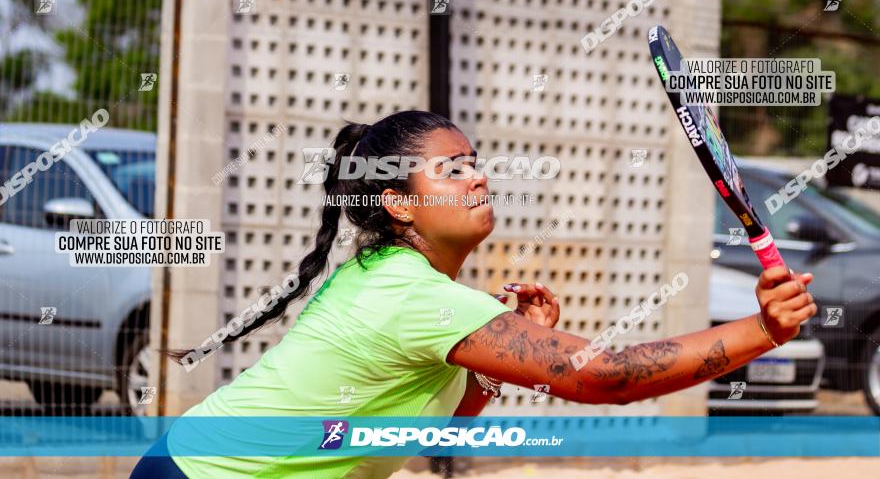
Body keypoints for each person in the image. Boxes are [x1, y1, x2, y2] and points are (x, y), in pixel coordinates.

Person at [129, 110, 816, 478]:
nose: (479, 179)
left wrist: (489, 366)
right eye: (453, 169)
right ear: (398, 202)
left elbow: (433, 432)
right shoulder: (413, 295)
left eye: (478, 165)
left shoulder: (398, 285)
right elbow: (603, 378)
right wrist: (761, 329)